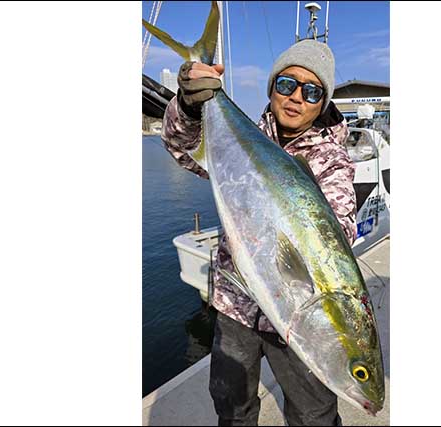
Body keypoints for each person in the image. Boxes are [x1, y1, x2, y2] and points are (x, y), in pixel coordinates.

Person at [161, 39, 356, 426]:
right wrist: (187, 105)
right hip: (236, 305)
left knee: (314, 416)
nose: (297, 97)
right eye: (287, 84)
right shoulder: (240, 134)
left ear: (322, 103)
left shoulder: (333, 162)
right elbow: (182, 149)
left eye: (312, 91)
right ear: (271, 87)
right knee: (232, 408)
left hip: (294, 322)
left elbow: (340, 233)